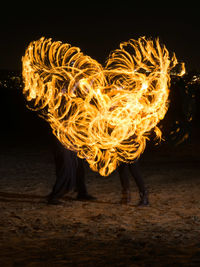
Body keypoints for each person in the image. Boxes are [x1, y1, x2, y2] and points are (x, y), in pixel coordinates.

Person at [47, 136, 96, 205]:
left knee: (79, 169)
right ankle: (54, 196)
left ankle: (82, 193)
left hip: (74, 141)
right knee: (66, 169)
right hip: (63, 141)